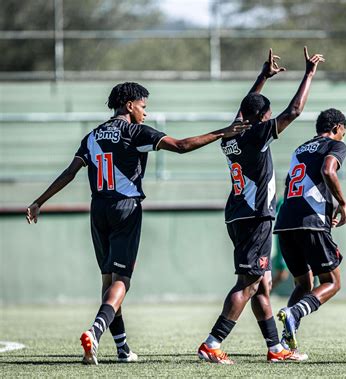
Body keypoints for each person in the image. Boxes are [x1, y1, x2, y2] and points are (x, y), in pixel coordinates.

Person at [26, 82, 249, 365]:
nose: (146, 112)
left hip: (98, 209)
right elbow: (180, 146)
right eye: (143, 106)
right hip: (125, 209)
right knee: (122, 282)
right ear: (130, 105)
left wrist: (38, 202)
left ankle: (122, 349)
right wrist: (222, 132)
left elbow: (70, 173)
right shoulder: (135, 132)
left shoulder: (92, 136)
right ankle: (96, 330)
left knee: (108, 281)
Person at [197, 47, 324, 364]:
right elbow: (293, 111)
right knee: (249, 282)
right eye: (267, 115)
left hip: (237, 214)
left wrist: (262, 77)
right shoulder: (256, 133)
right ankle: (212, 342)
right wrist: (308, 74)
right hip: (257, 215)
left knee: (261, 285)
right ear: (263, 117)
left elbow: (243, 111)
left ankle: (276, 348)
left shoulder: (232, 134)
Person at [274, 108, 346, 351]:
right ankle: (294, 313)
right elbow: (328, 170)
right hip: (311, 221)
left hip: (285, 222)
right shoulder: (334, 145)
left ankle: (285, 342)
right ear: (337, 128)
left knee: (304, 284)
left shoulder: (301, 148)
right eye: (343, 132)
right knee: (333, 281)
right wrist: (342, 203)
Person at [271, 197, 290, 292]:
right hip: (285, 239)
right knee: (282, 274)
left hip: (300, 238)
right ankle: (262, 294)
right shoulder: (282, 201)